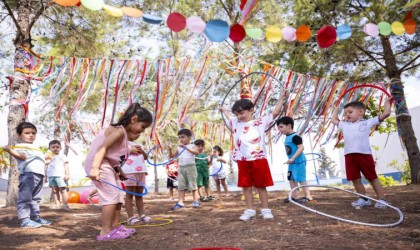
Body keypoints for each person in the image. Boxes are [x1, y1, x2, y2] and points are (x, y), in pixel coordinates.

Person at [85, 103, 153, 241]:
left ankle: (114, 226)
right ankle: (106, 232)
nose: (142, 131)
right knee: (111, 195)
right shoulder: (119, 131)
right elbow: (102, 148)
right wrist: (95, 168)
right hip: (98, 163)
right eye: (143, 127)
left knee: (119, 195)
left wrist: (119, 170)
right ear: (133, 119)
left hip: (107, 165)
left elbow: (113, 157)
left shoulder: (123, 137)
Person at [220, 89, 287, 221]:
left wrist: (281, 99)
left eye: (241, 113)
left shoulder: (260, 122)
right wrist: (223, 109)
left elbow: (275, 112)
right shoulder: (235, 123)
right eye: (237, 114)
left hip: (258, 158)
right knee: (246, 186)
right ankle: (250, 209)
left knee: (261, 185)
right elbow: (229, 116)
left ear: (251, 110)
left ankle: (266, 209)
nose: (239, 116)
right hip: (242, 159)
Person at [332, 98, 392, 208]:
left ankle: (382, 199)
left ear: (360, 112)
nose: (347, 115)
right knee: (355, 179)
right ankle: (363, 199)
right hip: (349, 155)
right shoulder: (345, 125)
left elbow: (386, 113)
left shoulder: (368, 122)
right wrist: (336, 109)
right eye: (345, 113)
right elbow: (333, 120)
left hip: (364, 155)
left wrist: (387, 103)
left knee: (372, 177)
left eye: (350, 112)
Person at [2, 122, 52, 228]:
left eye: (33, 133)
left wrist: (47, 160)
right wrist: (9, 150)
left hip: (39, 175)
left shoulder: (36, 148)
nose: (31, 135)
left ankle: (35, 218)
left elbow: (40, 161)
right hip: (28, 174)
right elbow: (23, 157)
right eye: (27, 133)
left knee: (35, 198)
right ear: (19, 135)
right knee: (25, 198)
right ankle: (24, 220)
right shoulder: (20, 146)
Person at [276, 116, 314, 203]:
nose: (279, 130)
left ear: (289, 126)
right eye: (278, 128)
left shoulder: (295, 136)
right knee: (291, 178)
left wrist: (293, 158)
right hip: (291, 163)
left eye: (281, 127)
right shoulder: (287, 137)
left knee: (301, 179)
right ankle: (294, 196)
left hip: (298, 162)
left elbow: (301, 148)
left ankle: (308, 196)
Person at [168, 128, 200, 210]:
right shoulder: (179, 148)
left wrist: (186, 148)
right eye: (179, 137)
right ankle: (180, 202)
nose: (181, 139)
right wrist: (170, 149)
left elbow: (196, 152)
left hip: (191, 167)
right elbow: (171, 156)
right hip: (181, 168)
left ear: (189, 137)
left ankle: (195, 201)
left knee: (193, 184)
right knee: (181, 186)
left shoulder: (193, 145)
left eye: (183, 137)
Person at [122, 141, 152, 225]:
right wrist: (130, 150)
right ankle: (131, 217)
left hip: (141, 171)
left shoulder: (138, 143)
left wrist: (142, 151)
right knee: (129, 195)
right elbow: (118, 154)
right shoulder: (123, 142)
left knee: (139, 195)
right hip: (129, 171)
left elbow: (145, 157)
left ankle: (142, 215)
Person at [45, 140, 70, 211]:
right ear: (49, 148)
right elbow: (46, 166)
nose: (55, 148)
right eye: (53, 147)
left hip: (60, 175)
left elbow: (66, 165)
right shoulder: (48, 156)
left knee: (62, 190)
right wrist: (46, 176)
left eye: (57, 147)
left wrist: (67, 174)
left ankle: (65, 205)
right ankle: (57, 204)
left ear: (60, 148)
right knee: (54, 191)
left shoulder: (62, 156)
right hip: (51, 175)